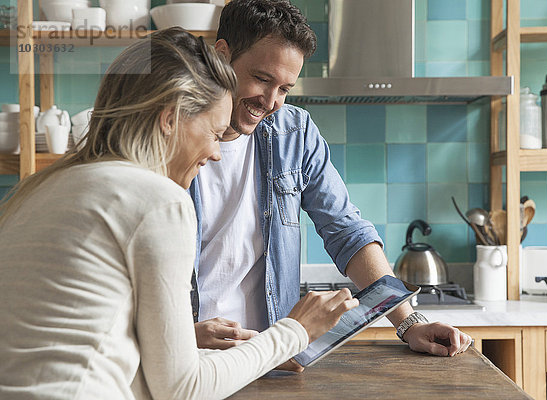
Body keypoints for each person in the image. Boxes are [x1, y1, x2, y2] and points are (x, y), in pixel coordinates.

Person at [0, 27, 358, 399]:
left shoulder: (37, 190)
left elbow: (92, 343)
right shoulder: (158, 201)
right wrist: (294, 332)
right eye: (214, 133)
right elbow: (183, 390)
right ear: (170, 119)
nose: (218, 153)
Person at [190, 0, 472, 360]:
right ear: (221, 54)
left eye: (285, 88)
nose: (271, 101)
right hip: (186, 358)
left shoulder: (294, 132)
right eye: (262, 78)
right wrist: (181, 336)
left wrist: (409, 322)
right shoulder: (171, 136)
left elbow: (346, 231)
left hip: (269, 357)